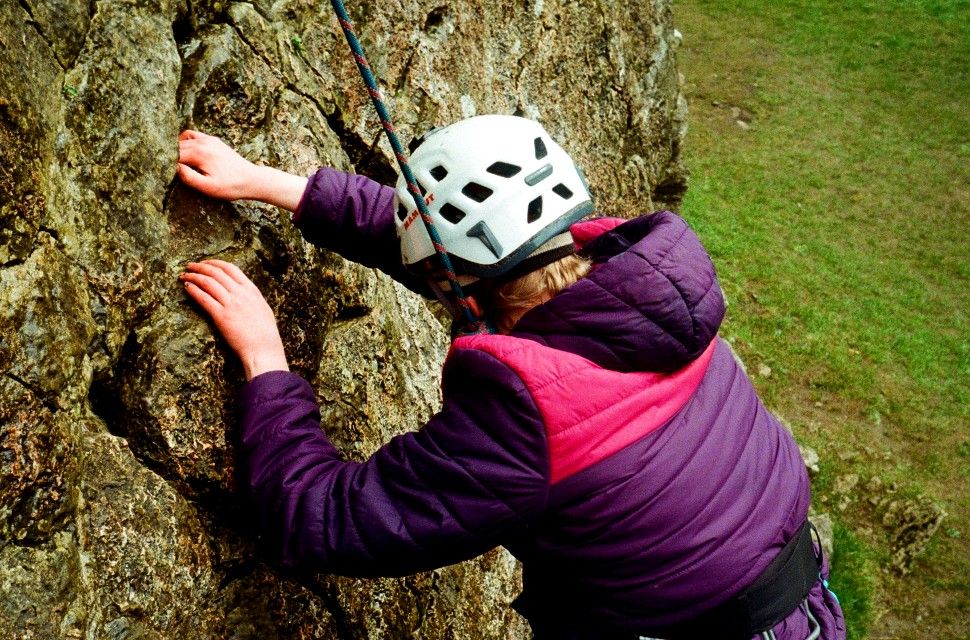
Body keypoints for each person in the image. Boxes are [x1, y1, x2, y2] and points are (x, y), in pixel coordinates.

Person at [176, 115, 846, 640]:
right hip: (801, 611)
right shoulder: (646, 292)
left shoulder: (529, 421)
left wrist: (266, 361)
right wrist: (270, 184)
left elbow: (322, 517)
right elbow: (462, 253)